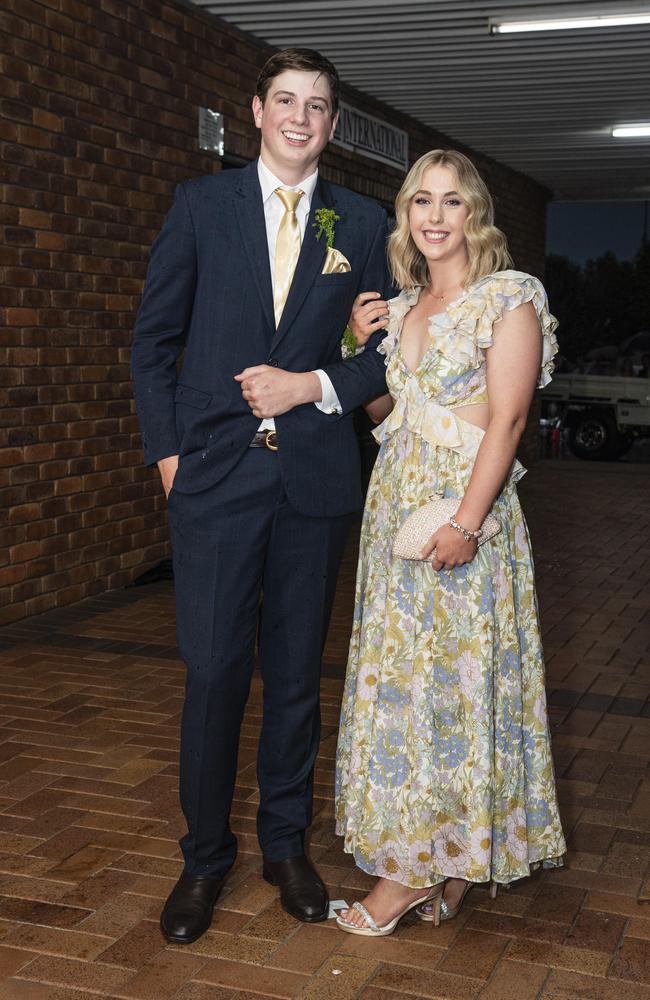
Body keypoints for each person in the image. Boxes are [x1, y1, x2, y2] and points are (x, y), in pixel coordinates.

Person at [131, 47, 392, 944]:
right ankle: (205, 856)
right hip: (212, 482)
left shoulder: (362, 221)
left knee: (292, 680)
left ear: (330, 123)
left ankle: (285, 846)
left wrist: (315, 383)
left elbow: (386, 358)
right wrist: (169, 459)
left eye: (317, 105)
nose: (300, 117)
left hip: (314, 485)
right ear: (256, 110)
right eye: (286, 100)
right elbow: (152, 341)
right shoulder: (201, 208)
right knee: (212, 677)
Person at [334, 149, 566, 937]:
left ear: (475, 215)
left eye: (451, 202)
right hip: (395, 514)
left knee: (458, 689)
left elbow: (506, 420)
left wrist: (466, 523)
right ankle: (438, 861)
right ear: (405, 216)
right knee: (403, 689)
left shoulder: (509, 299)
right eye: (420, 201)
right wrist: (354, 347)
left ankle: (408, 877)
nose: (434, 216)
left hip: (467, 517)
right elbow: (388, 422)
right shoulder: (402, 310)